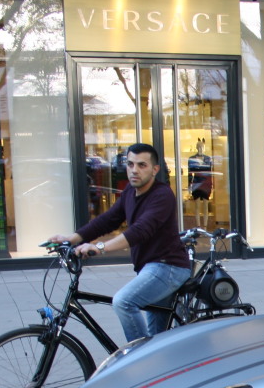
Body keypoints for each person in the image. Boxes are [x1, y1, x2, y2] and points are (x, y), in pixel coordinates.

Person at [50, 142, 191, 343]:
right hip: (150, 268)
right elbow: (107, 220)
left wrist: (100, 247)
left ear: (154, 169)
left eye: (142, 165)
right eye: (130, 164)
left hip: (168, 267)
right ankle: (158, 368)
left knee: (124, 302)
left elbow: (140, 231)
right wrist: (71, 238)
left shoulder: (162, 195)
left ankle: (139, 359)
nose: (134, 170)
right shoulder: (129, 194)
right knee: (160, 338)